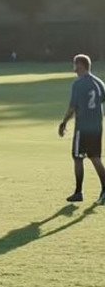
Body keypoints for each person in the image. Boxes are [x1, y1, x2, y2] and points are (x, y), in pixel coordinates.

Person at [58, 53, 105, 204]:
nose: (73, 67)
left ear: (80, 65)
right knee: (95, 157)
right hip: (97, 127)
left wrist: (64, 122)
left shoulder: (78, 84)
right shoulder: (99, 83)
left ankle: (78, 192)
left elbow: (72, 107)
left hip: (83, 128)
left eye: (75, 64)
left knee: (78, 157)